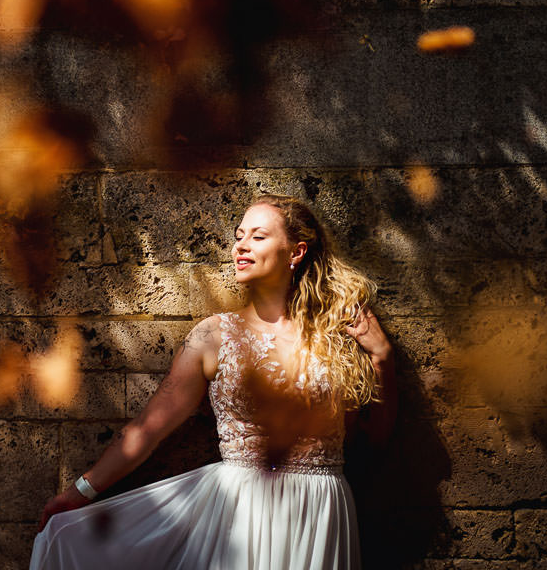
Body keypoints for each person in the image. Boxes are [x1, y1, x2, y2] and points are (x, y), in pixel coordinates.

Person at [30, 195, 396, 569]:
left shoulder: (336, 335)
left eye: (258, 236)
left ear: (295, 251)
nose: (241, 245)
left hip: (320, 508)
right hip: (241, 510)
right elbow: (147, 429)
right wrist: (79, 493)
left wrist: (382, 358)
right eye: (239, 235)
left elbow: (373, 439)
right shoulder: (213, 336)